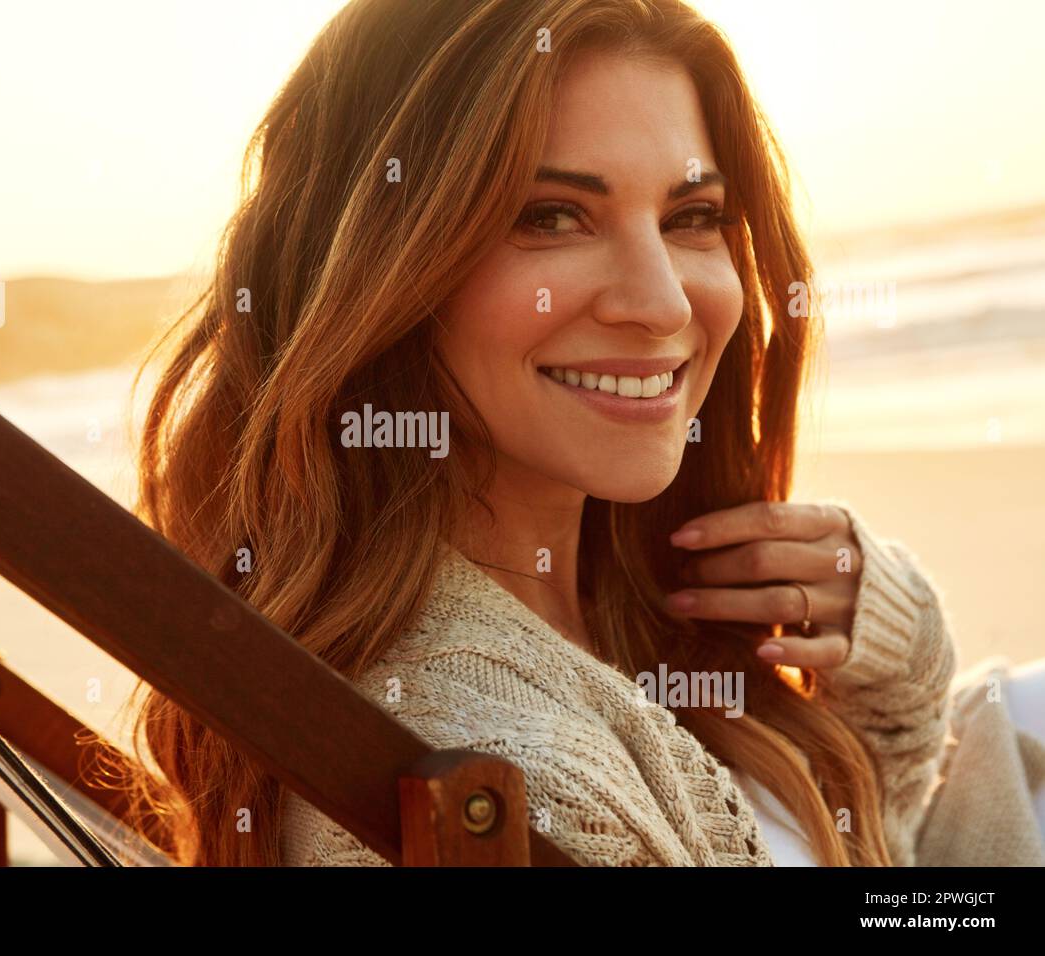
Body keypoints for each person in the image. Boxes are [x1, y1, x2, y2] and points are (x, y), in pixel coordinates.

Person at [119, 0, 1045, 866]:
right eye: (551, 216)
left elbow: (887, 853)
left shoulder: (615, 616)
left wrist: (899, 658)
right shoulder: (488, 759)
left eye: (692, 217)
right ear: (381, 268)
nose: (661, 301)